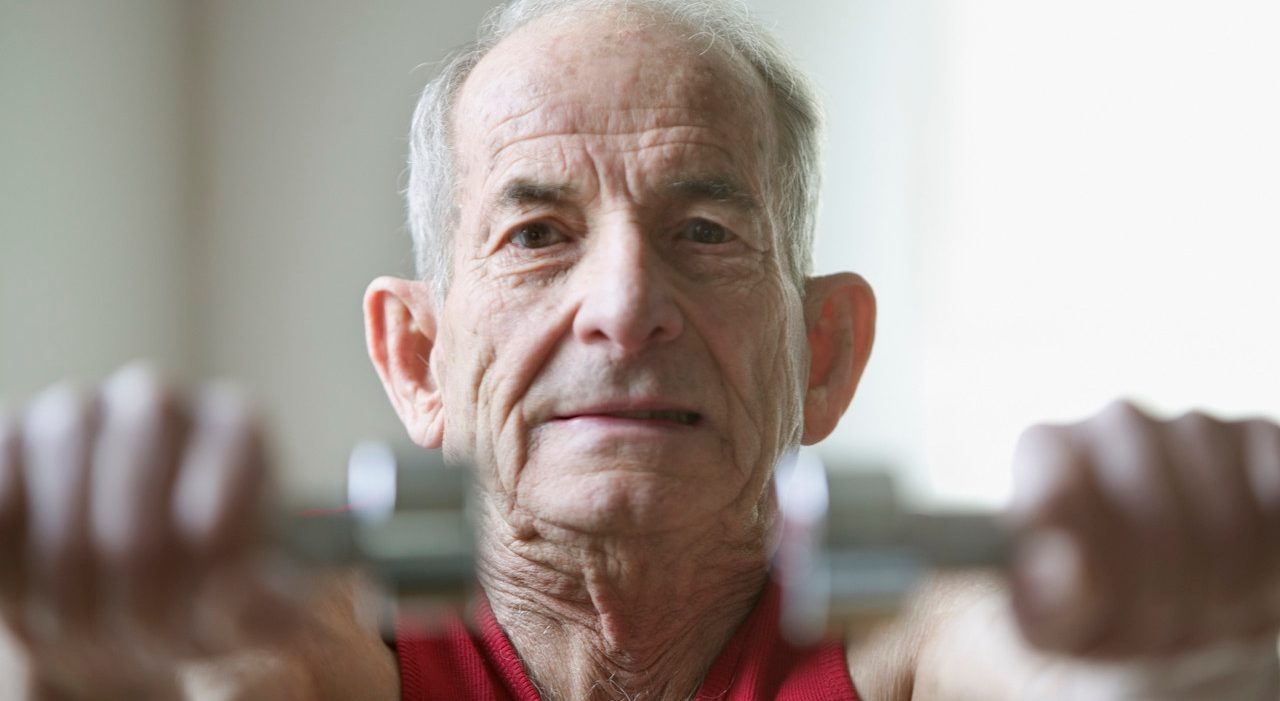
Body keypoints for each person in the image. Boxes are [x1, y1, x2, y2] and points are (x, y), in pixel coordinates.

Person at [2, 0, 1279, 698]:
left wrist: (1190, 665)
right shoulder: (304, 634)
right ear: (415, 358)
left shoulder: (918, 634)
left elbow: (1049, 672)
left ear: (823, 351)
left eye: (707, 228)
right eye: (538, 232)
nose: (624, 305)